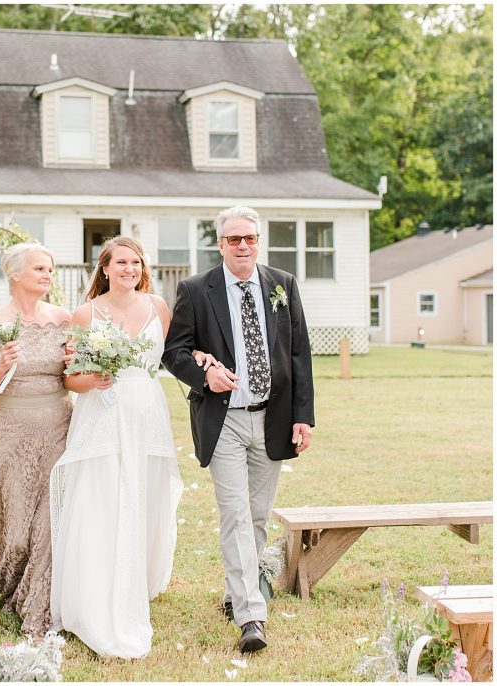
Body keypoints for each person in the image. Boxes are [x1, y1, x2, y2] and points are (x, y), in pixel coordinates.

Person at [162, 205, 314, 654]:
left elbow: (299, 354)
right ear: (221, 243)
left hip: (274, 417)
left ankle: (236, 593)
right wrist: (203, 374)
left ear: (258, 241)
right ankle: (251, 615)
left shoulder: (282, 285)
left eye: (249, 238)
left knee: (258, 516)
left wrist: (303, 415)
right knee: (235, 513)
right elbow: (175, 352)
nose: (242, 246)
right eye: (234, 239)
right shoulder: (195, 289)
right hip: (223, 419)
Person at [49, 236, 184, 659]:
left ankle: (136, 580)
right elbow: (69, 378)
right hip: (102, 415)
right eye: (121, 262)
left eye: (136, 262)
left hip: (146, 413)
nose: (129, 268)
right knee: (101, 496)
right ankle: (92, 589)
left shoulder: (159, 307)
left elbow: (172, 357)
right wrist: (94, 379)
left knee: (145, 496)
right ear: (104, 268)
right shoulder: (85, 313)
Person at [0, 242, 72, 637]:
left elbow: (71, 377)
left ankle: (41, 599)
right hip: (12, 430)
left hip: (59, 428)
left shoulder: (62, 319)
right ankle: (10, 580)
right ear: (16, 275)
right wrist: (0, 366)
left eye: (50, 269)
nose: (48, 275)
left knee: (51, 516)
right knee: (17, 527)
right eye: (39, 269)